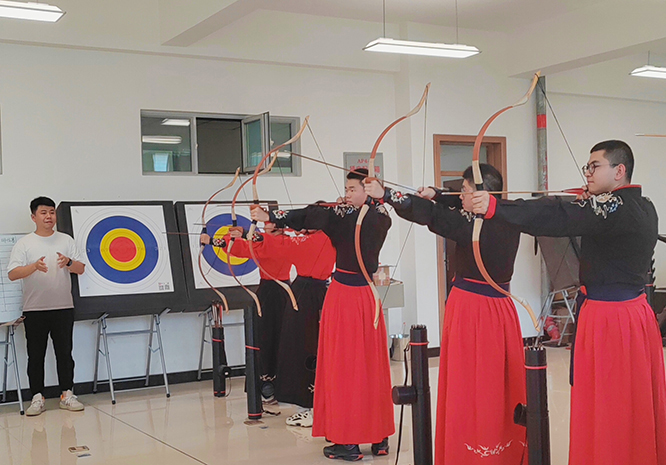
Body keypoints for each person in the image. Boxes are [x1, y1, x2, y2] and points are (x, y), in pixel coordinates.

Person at [471, 140, 666, 465]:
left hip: (612, 320)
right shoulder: (644, 205)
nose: (588, 172)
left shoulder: (612, 209)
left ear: (619, 171)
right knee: (626, 401)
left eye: (595, 166)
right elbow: (574, 212)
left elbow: (559, 216)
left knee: (613, 403)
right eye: (587, 166)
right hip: (632, 315)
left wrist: (496, 208)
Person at [365, 164, 527, 464]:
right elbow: (450, 205)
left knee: (473, 386)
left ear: (480, 195)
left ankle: (474, 452)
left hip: (473, 310)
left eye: (464, 191)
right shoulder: (510, 214)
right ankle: (502, 450)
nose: (460, 196)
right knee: (495, 384)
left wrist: (386, 194)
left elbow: (431, 215)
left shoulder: (471, 225)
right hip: (501, 310)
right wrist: (438, 194)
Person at [251, 169, 393, 461]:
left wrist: (271, 216)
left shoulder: (342, 217)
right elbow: (317, 214)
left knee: (344, 368)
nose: (347, 194)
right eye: (347, 189)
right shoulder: (382, 217)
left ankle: (348, 442)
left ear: (369, 190)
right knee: (371, 366)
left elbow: (310, 215)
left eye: (353, 189)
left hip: (345, 296)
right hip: (368, 296)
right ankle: (380, 439)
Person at [7, 197, 85, 416]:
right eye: (43, 212)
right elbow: (13, 274)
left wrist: (68, 262)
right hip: (34, 309)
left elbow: (80, 269)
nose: (49, 216)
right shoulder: (24, 243)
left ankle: (67, 395)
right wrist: (33, 267)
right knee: (35, 355)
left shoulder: (66, 240)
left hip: (63, 307)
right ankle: (37, 397)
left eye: (51, 212)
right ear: (34, 217)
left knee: (64, 353)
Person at [277, 230, 335, 428]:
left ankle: (307, 408)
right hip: (322, 292)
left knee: (301, 348)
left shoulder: (308, 240)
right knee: (315, 347)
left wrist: (255, 238)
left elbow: (277, 247)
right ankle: (318, 404)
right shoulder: (331, 235)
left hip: (303, 295)